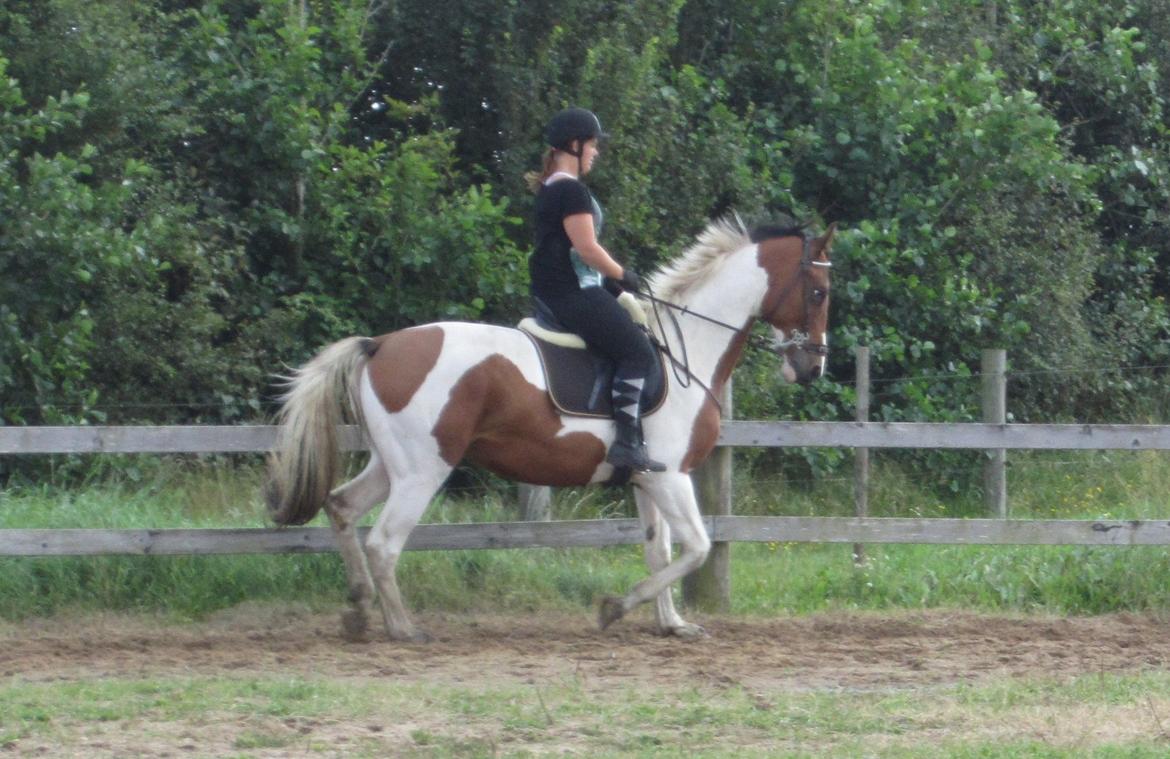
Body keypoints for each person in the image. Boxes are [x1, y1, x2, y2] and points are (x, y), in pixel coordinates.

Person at [527, 107, 665, 473]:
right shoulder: (570, 190)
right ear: (574, 145)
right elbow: (586, 249)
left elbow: (571, 254)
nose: (596, 152)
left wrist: (613, 287)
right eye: (592, 145)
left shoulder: (553, 188)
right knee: (638, 351)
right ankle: (627, 442)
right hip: (571, 293)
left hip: (566, 287)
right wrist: (625, 274)